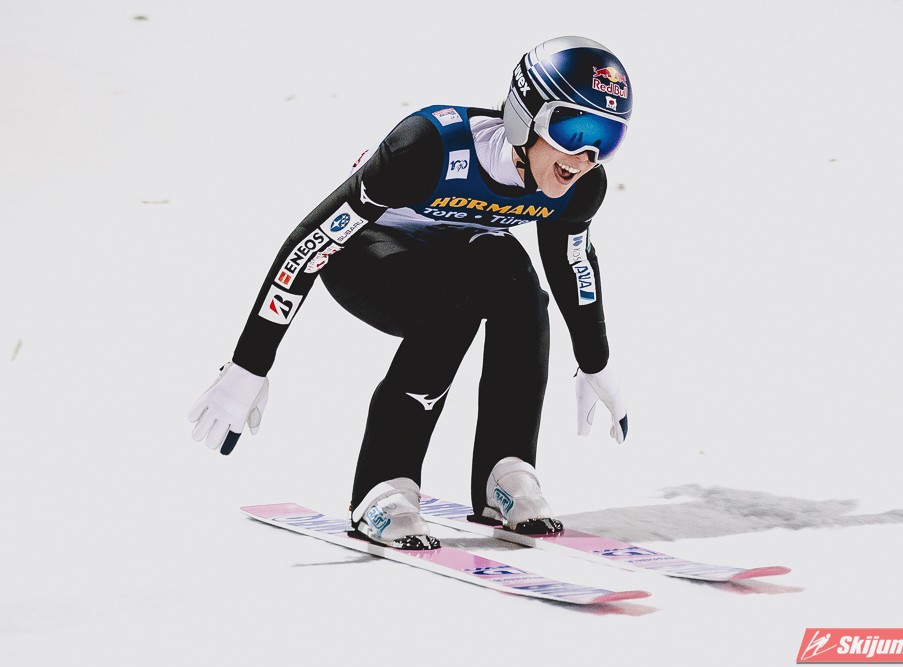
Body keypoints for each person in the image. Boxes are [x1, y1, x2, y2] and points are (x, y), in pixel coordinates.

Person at [188, 35, 632, 550]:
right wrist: (249, 365)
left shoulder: (581, 185)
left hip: (453, 254)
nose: (585, 156)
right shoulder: (427, 147)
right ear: (525, 116)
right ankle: (383, 486)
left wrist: (596, 361)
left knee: (518, 283)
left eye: (606, 137)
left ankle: (506, 470)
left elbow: (570, 264)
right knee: (449, 309)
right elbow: (312, 243)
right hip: (365, 252)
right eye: (574, 129)